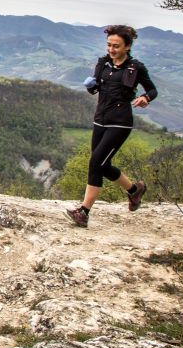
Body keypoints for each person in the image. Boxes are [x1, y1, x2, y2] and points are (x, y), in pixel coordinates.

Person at [65, 25, 158, 228]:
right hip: (100, 119)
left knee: (95, 162)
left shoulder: (136, 68)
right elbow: (97, 88)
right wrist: (91, 87)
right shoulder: (103, 64)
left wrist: (144, 97)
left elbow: (152, 90)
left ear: (127, 46)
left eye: (116, 46)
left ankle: (84, 212)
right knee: (103, 165)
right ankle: (135, 190)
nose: (111, 49)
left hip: (120, 122)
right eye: (109, 45)